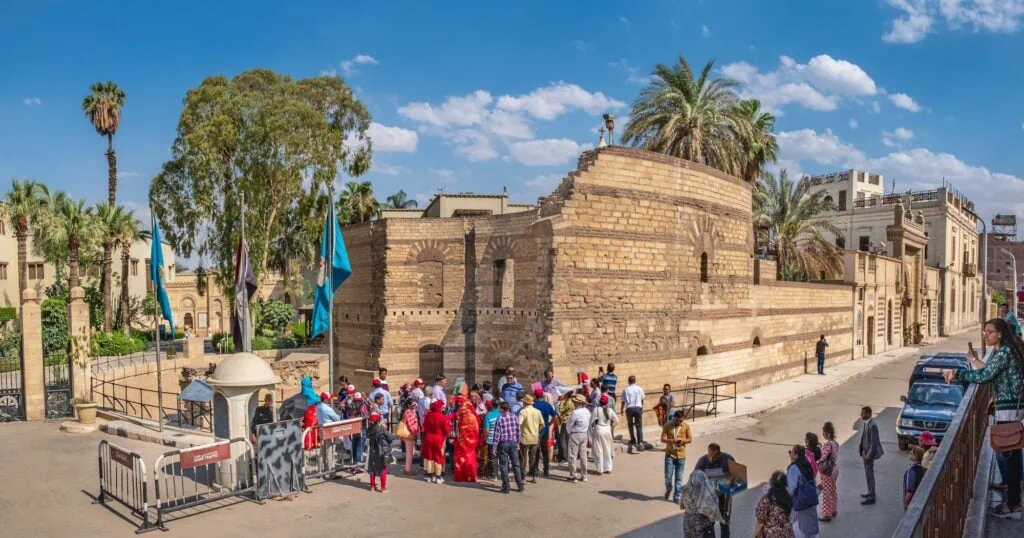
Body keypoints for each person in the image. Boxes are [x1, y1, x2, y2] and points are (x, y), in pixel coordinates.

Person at [944, 317, 1024, 518]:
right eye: (985, 332)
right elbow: (988, 370)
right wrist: (972, 360)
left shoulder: (1004, 352)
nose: (986, 335)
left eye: (989, 332)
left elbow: (984, 376)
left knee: (1011, 456)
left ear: (1000, 334)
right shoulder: (1002, 351)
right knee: (1011, 454)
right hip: (1009, 409)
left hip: (1009, 411)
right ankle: (1012, 493)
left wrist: (957, 373)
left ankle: (1013, 503)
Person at [695, 443, 735, 538]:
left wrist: (731, 481)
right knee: (709, 524)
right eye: (709, 455)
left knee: (724, 523)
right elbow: (695, 476)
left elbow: (735, 474)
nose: (711, 458)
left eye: (714, 457)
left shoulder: (727, 458)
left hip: (724, 497)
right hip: (709, 497)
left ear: (719, 454)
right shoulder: (703, 460)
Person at [679, 470, 724, 538]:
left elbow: (681, 506)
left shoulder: (686, 490)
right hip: (702, 527)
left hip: (687, 523)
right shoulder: (704, 496)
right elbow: (713, 511)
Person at [787, 445, 820, 538]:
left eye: (791, 453)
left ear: (796, 455)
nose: (790, 455)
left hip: (800, 502)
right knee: (810, 528)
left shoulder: (794, 468)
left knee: (796, 527)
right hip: (811, 499)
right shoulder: (807, 463)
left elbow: (791, 488)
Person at [493, 401, 524, 493]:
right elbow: (518, 431)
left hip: (503, 443)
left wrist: (494, 447)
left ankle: (506, 487)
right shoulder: (515, 417)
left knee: (504, 465)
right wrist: (518, 442)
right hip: (513, 442)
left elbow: (497, 434)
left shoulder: (499, 419)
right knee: (516, 464)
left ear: (502, 409)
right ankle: (520, 485)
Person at [753, 471, 796, 538]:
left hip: (771, 534)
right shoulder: (788, 498)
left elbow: (760, 521)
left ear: (772, 482)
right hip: (787, 532)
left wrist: (754, 535)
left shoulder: (768, 499)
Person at [662, 409, 692, 503]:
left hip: (681, 455)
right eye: (679, 420)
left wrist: (682, 441)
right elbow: (662, 439)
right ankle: (669, 488)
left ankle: (677, 496)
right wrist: (672, 441)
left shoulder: (686, 426)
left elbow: (690, 439)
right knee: (668, 476)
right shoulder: (667, 425)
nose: (680, 422)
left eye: (682, 420)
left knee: (679, 477)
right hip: (670, 454)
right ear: (674, 418)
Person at [420, 400, 450, 484]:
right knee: (438, 458)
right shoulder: (442, 417)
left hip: (428, 438)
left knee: (429, 457)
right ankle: (438, 477)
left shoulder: (428, 416)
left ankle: (429, 477)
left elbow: (424, 426)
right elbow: (446, 431)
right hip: (439, 440)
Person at [859, 405, 884, 505]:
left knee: (870, 475)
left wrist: (868, 456)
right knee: (868, 474)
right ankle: (870, 492)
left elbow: (873, 444)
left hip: (869, 455)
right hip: (865, 453)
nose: (861, 415)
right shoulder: (867, 423)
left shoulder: (872, 425)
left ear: (868, 414)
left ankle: (872, 496)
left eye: (863, 413)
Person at [452, 395, 480, 482]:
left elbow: (455, 429)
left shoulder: (458, 414)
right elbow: (476, 429)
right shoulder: (473, 416)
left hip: (461, 441)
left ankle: (460, 476)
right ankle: (471, 476)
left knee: (460, 457)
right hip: (471, 442)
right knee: (470, 456)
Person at [366, 412, 396, 493]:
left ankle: (372, 487)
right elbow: (391, 437)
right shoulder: (382, 429)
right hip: (382, 452)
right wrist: (390, 432)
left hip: (372, 451)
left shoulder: (369, 430)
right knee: (383, 469)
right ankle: (383, 488)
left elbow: (369, 436)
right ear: (379, 420)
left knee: (372, 469)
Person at [565, 394, 591, 482]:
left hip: (575, 434)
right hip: (584, 434)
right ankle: (584, 475)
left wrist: (569, 432)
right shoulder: (587, 411)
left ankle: (573, 476)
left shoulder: (575, 412)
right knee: (583, 456)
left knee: (573, 455)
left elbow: (569, 425)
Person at [817, 422, 840, 522]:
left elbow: (822, 457)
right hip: (834, 469)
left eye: (824, 433)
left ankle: (827, 514)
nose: (823, 435)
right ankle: (834, 510)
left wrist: (819, 450)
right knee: (833, 490)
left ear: (828, 434)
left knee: (826, 492)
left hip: (827, 470)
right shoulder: (836, 443)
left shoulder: (827, 445)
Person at [517, 394, 543, 483]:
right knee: (533, 457)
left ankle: (523, 478)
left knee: (523, 457)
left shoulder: (523, 412)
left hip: (524, 437)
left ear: (525, 403)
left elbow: (519, 424)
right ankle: (534, 476)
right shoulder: (537, 411)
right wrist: (537, 432)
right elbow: (542, 424)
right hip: (535, 437)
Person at [532, 388, 557, 477]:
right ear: (542, 396)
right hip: (545, 430)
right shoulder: (547, 405)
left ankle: (535, 470)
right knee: (545, 450)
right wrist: (549, 424)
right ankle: (546, 471)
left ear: (535, 396)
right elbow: (554, 416)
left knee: (536, 451)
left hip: (536, 431)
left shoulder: (534, 405)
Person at [591, 393, 618, 474]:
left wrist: (592, 428)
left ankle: (600, 470)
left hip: (599, 430)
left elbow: (591, 421)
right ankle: (608, 468)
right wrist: (612, 426)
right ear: (607, 402)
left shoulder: (596, 410)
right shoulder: (610, 410)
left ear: (600, 402)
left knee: (599, 450)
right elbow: (616, 420)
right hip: (607, 430)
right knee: (607, 449)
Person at [621, 375, 646, 453]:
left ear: (629, 381)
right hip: (638, 407)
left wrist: (621, 409)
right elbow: (642, 399)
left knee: (630, 424)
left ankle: (633, 439)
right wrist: (641, 408)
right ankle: (640, 442)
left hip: (629, 408)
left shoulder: (625, 390)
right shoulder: (640, 388)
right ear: (635, 381)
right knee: (639, 426)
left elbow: (623, 401)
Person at [346, 392, 369, 469]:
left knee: (353, 444)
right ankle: (358, 462)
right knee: (360, 444)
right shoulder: (363, 405)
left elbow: (343, 408)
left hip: (352, 427)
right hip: (362, 427)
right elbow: (366, 415)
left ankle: (353, 460)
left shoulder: (350, 405)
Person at [299, 377, 321, 450]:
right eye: (310, 382)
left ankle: (314, 443)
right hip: (310, 411)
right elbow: (315, 399)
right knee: (310, 427)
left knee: (314, 427)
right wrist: (319, 398)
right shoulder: (306, 391)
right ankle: (308, 445)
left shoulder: (308, 390)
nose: (311, 383)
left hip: (313, 411)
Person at [483, 398, 502, 479]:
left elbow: (486, 430)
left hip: (491, 440)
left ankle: (494, 475)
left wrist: (485, 439)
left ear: (491, 405)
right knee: (501, 457)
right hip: (501, 439)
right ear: (498, 406)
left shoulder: (488, 415)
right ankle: (503, 474)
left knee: (492, 457)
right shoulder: (502, 415)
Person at [902, 446, 926, 511]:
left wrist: (906, 503)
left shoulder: (912, 470)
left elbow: (910, 489)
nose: (910, 452)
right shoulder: (921, 467)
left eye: (913, 453)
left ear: (917, 457)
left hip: (911, 500)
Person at [400, 399, 420, 475]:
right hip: (409, 435)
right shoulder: (409, 412)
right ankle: (408, 470)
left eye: (415, 405)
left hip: (408, 435)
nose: (415, 407)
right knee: (410, 453)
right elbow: (411, 425)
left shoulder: (408, 411)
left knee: (410, 452)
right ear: (409, 405)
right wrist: (414, 433)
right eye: (414, 405)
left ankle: (407, 468)